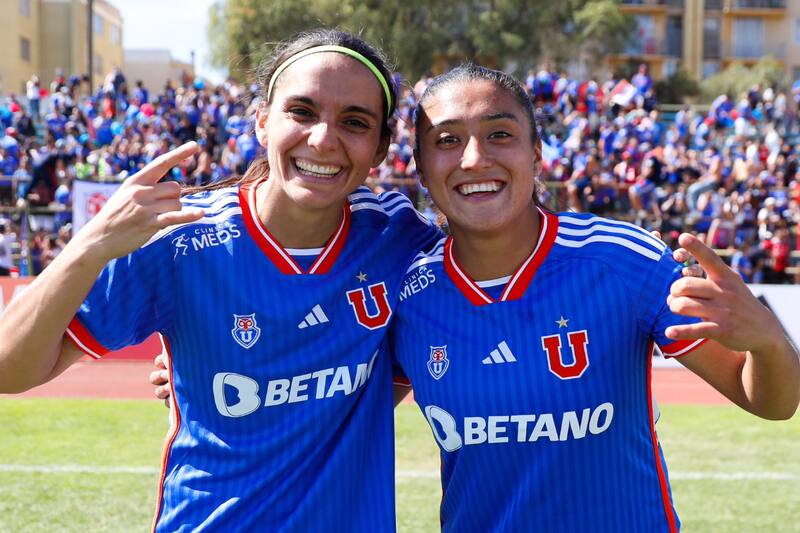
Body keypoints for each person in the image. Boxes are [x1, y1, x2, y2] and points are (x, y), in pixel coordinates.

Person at [0, 30, 440, 531]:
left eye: (354, 122)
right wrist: (89, 244)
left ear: (382, 147)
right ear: (261, 121)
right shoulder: (179, 238)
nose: (323, 138)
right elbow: (9, 370)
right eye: (301, 111)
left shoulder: (398, 236)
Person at [389, 65, 799, 532]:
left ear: (537, 155)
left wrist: (767, 342)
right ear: (420, 168)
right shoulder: (409, 296)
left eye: (499, 134)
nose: (474, 158)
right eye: (446, 141)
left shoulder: (621, 261)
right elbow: (345, 416)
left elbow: (771, 402)